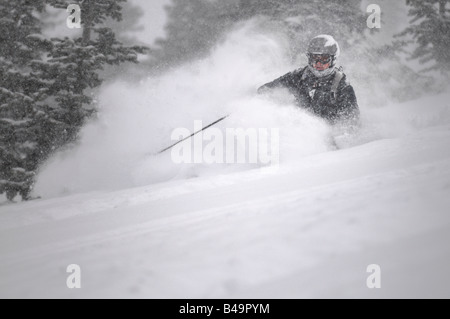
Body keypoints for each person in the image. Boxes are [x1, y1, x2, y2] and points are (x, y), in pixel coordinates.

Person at [258, 35, 360, 127]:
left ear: (333, 60)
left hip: (327, 140)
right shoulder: (298, 76)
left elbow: (351, 122)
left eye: (324, 58)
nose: (318, 63)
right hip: (294, 131)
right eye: (314, 58)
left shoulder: (342, 87)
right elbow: (265, 90)